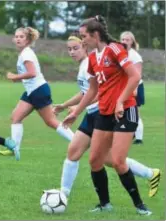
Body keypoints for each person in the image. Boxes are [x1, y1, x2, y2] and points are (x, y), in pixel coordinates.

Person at [63, 15, 152, 215]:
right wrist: (76, 112)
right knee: (95, 160)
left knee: (119, 162)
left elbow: (135, 76)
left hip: (125, 111)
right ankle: (105, 205)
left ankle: (140, 205)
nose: (82, 39)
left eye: (84, 36)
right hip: (104, 113)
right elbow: (92, 90)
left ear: (95, 35)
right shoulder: (93, 58)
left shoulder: (115, 49)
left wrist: (120, 101)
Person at [0, 27, 74, 160]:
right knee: (16, 117)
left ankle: (76, 141)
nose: (18, 39)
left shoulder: (26, 54)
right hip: (31, 92)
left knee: (51, 121)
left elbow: (32, 73)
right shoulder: (24, 53)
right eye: (16, 36)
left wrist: (15, 77)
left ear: (27, 40)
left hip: (38, 90)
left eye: (21, 37)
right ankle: (14, 149)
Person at [120, 31, 145, 144]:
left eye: (127, 40)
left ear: (132, 42)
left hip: (135, 87)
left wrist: (133, 89)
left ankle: (139, 138)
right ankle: (129, 133)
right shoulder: (121, 54)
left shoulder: (135, 56)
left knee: (135, 112)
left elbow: (138, 75)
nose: (124, 42)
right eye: (123, 39)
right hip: (125, 87)